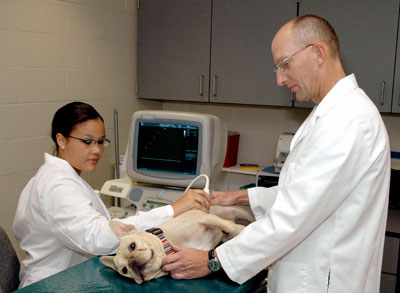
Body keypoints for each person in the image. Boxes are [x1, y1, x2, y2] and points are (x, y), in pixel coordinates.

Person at [161, 15, 391, 292]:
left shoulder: (349, 120)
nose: (280, 79)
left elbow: (293, 215)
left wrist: (213, 260)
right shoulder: (330, 114)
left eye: (285, 64)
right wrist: (239, 196)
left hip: (325, 282)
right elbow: (304, 192)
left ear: (318, 53)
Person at [13, 102, 210, 288]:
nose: (97, 150)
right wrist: (173, 209)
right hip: (52, 284)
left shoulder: (61, 177)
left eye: (100, 142)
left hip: (67, 277)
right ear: (61, 140)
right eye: (87, 142)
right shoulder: (57, 184)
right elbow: (97, 239)